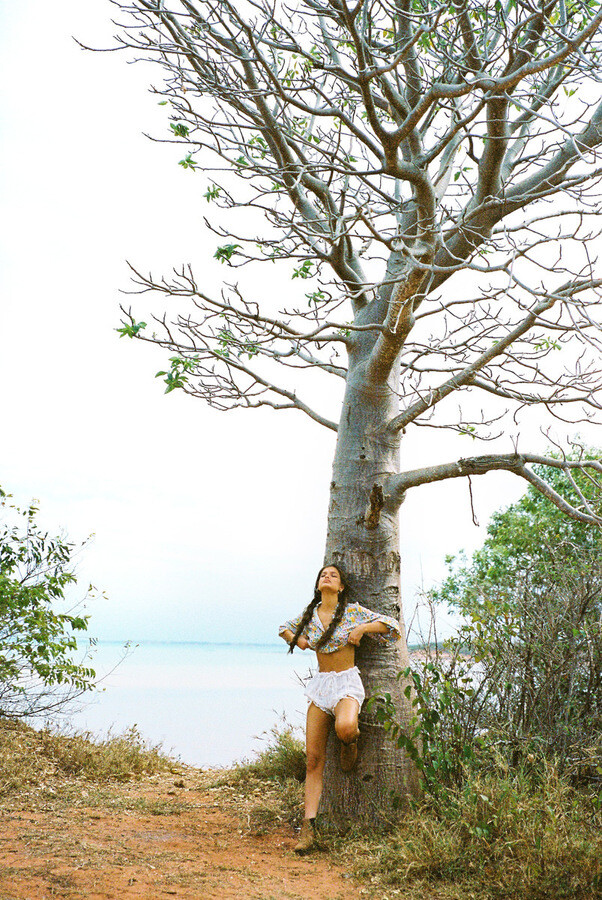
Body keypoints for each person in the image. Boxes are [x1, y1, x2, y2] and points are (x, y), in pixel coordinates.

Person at [279, 563, 402, 854]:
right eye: (323, 574)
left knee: (346, 727)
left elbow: (392, 626)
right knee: (313, 760)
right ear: (318, 584)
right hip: (321, 685)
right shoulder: (310, 615)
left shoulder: (352, 611)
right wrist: (298, 640)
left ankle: (350, 743)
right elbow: (283, 628)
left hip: (346, 682)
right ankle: (308, 827)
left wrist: (362, 628)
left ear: (341, 586)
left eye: (333, 575)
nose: (327, 577)